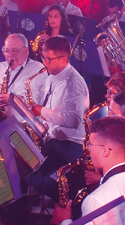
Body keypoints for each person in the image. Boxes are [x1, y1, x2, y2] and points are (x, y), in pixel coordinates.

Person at [28, 35, 91, 179]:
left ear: (64, 59)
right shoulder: (53, 74)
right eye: (43, 58)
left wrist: (41, 111)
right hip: (54, 137)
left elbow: (74, 120)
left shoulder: (73, 83)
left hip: (68, 143)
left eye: (48, 59)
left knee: (33, 174)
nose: (44, 63)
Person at [0, 33, 45, 127]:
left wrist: (14, 101)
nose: (10, 55)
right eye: (6, 51)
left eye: (15, 50)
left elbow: (41, 107)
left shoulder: (39, 70)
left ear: (26, 51)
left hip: (23, 127)